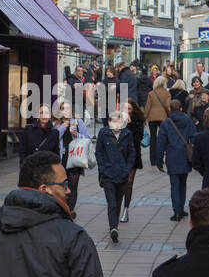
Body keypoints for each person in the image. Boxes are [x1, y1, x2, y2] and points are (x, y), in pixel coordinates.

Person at [95, 110, 135, 244]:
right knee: (111, 202)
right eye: (113, 121)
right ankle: (113, 228)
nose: (116, 124)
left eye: (118, 121)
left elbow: (131, 153)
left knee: (118, 202)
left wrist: (127, 169)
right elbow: (99, 152)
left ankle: (115, 225)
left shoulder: (127, 134)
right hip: (108, 174)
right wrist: (102, 168)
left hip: (122, 174)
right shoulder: (103, 133)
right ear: (109, 122)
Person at [157, 99, 198, 222]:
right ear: (181, 108)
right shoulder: (188, 121)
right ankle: (181, 208)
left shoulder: (166, 124)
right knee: (183, 183)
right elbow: (194, 137)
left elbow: (160, 143)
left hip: (172, 156)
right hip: (185, 155)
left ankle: (176, 212)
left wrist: (159, 160)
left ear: (170, 109)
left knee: (174, 185)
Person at [55, 101, 88, 220]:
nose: (66, 111)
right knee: (62, 185)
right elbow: (53, 138)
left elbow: (87, 139)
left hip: (75, 159)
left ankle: (70, 209)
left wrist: (76, 134)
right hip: (61, 160)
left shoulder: (78, 122)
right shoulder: (56, 123)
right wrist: (63, 127)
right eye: (63, 108)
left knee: (73, 186)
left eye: (68, 108)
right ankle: (63, 208)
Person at [121, 99, 146, 222]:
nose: (126, 111)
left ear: (133, 110)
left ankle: (126, 209)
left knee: (129, 183)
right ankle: (118, 206)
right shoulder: (117, 120)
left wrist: (128, 125)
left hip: (133, 155)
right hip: (119, 155)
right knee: (120, 182)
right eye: (124, 108)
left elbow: (137, 139)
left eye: (129, 109)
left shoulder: (138, 121)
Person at [146, 75, 172, 171]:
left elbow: (147, 107)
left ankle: (152, 160)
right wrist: (170, 116)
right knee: (163, 138)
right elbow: (167, 106)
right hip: (163, 117)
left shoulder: (151, 93)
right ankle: (160, 159)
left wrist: (145, 118)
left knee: (153, 138)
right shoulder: (167, 93)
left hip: (152, 117)